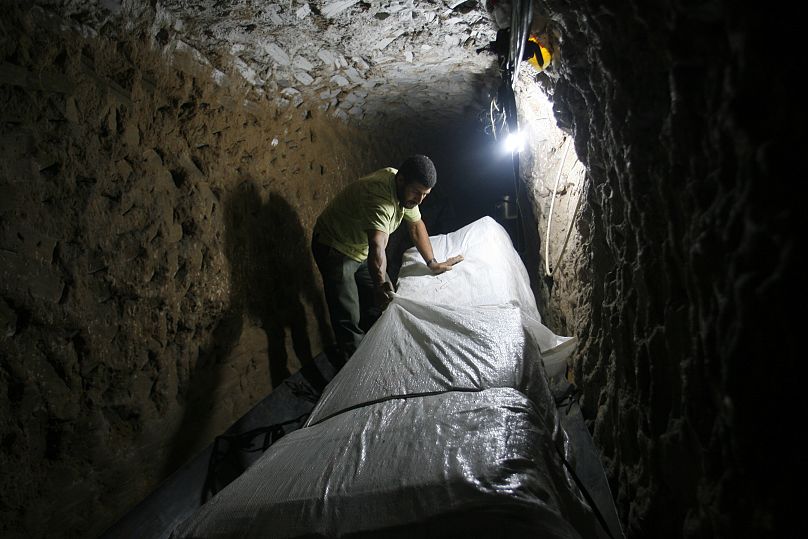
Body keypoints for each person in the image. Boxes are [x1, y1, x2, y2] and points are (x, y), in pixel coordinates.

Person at [311, 154, 463, 362]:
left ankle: (380, 349)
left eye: (425, 195)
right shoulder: (380, 198)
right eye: (417, 193)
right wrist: (379, 284)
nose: (419, 200)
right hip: (336, 247)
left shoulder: (406, 191)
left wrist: (432, 263)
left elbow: (416, 226)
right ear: (401, 180)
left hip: (361, 247)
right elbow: (377, 245)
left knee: (389, 301)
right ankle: (356, 373)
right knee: (348, 316)